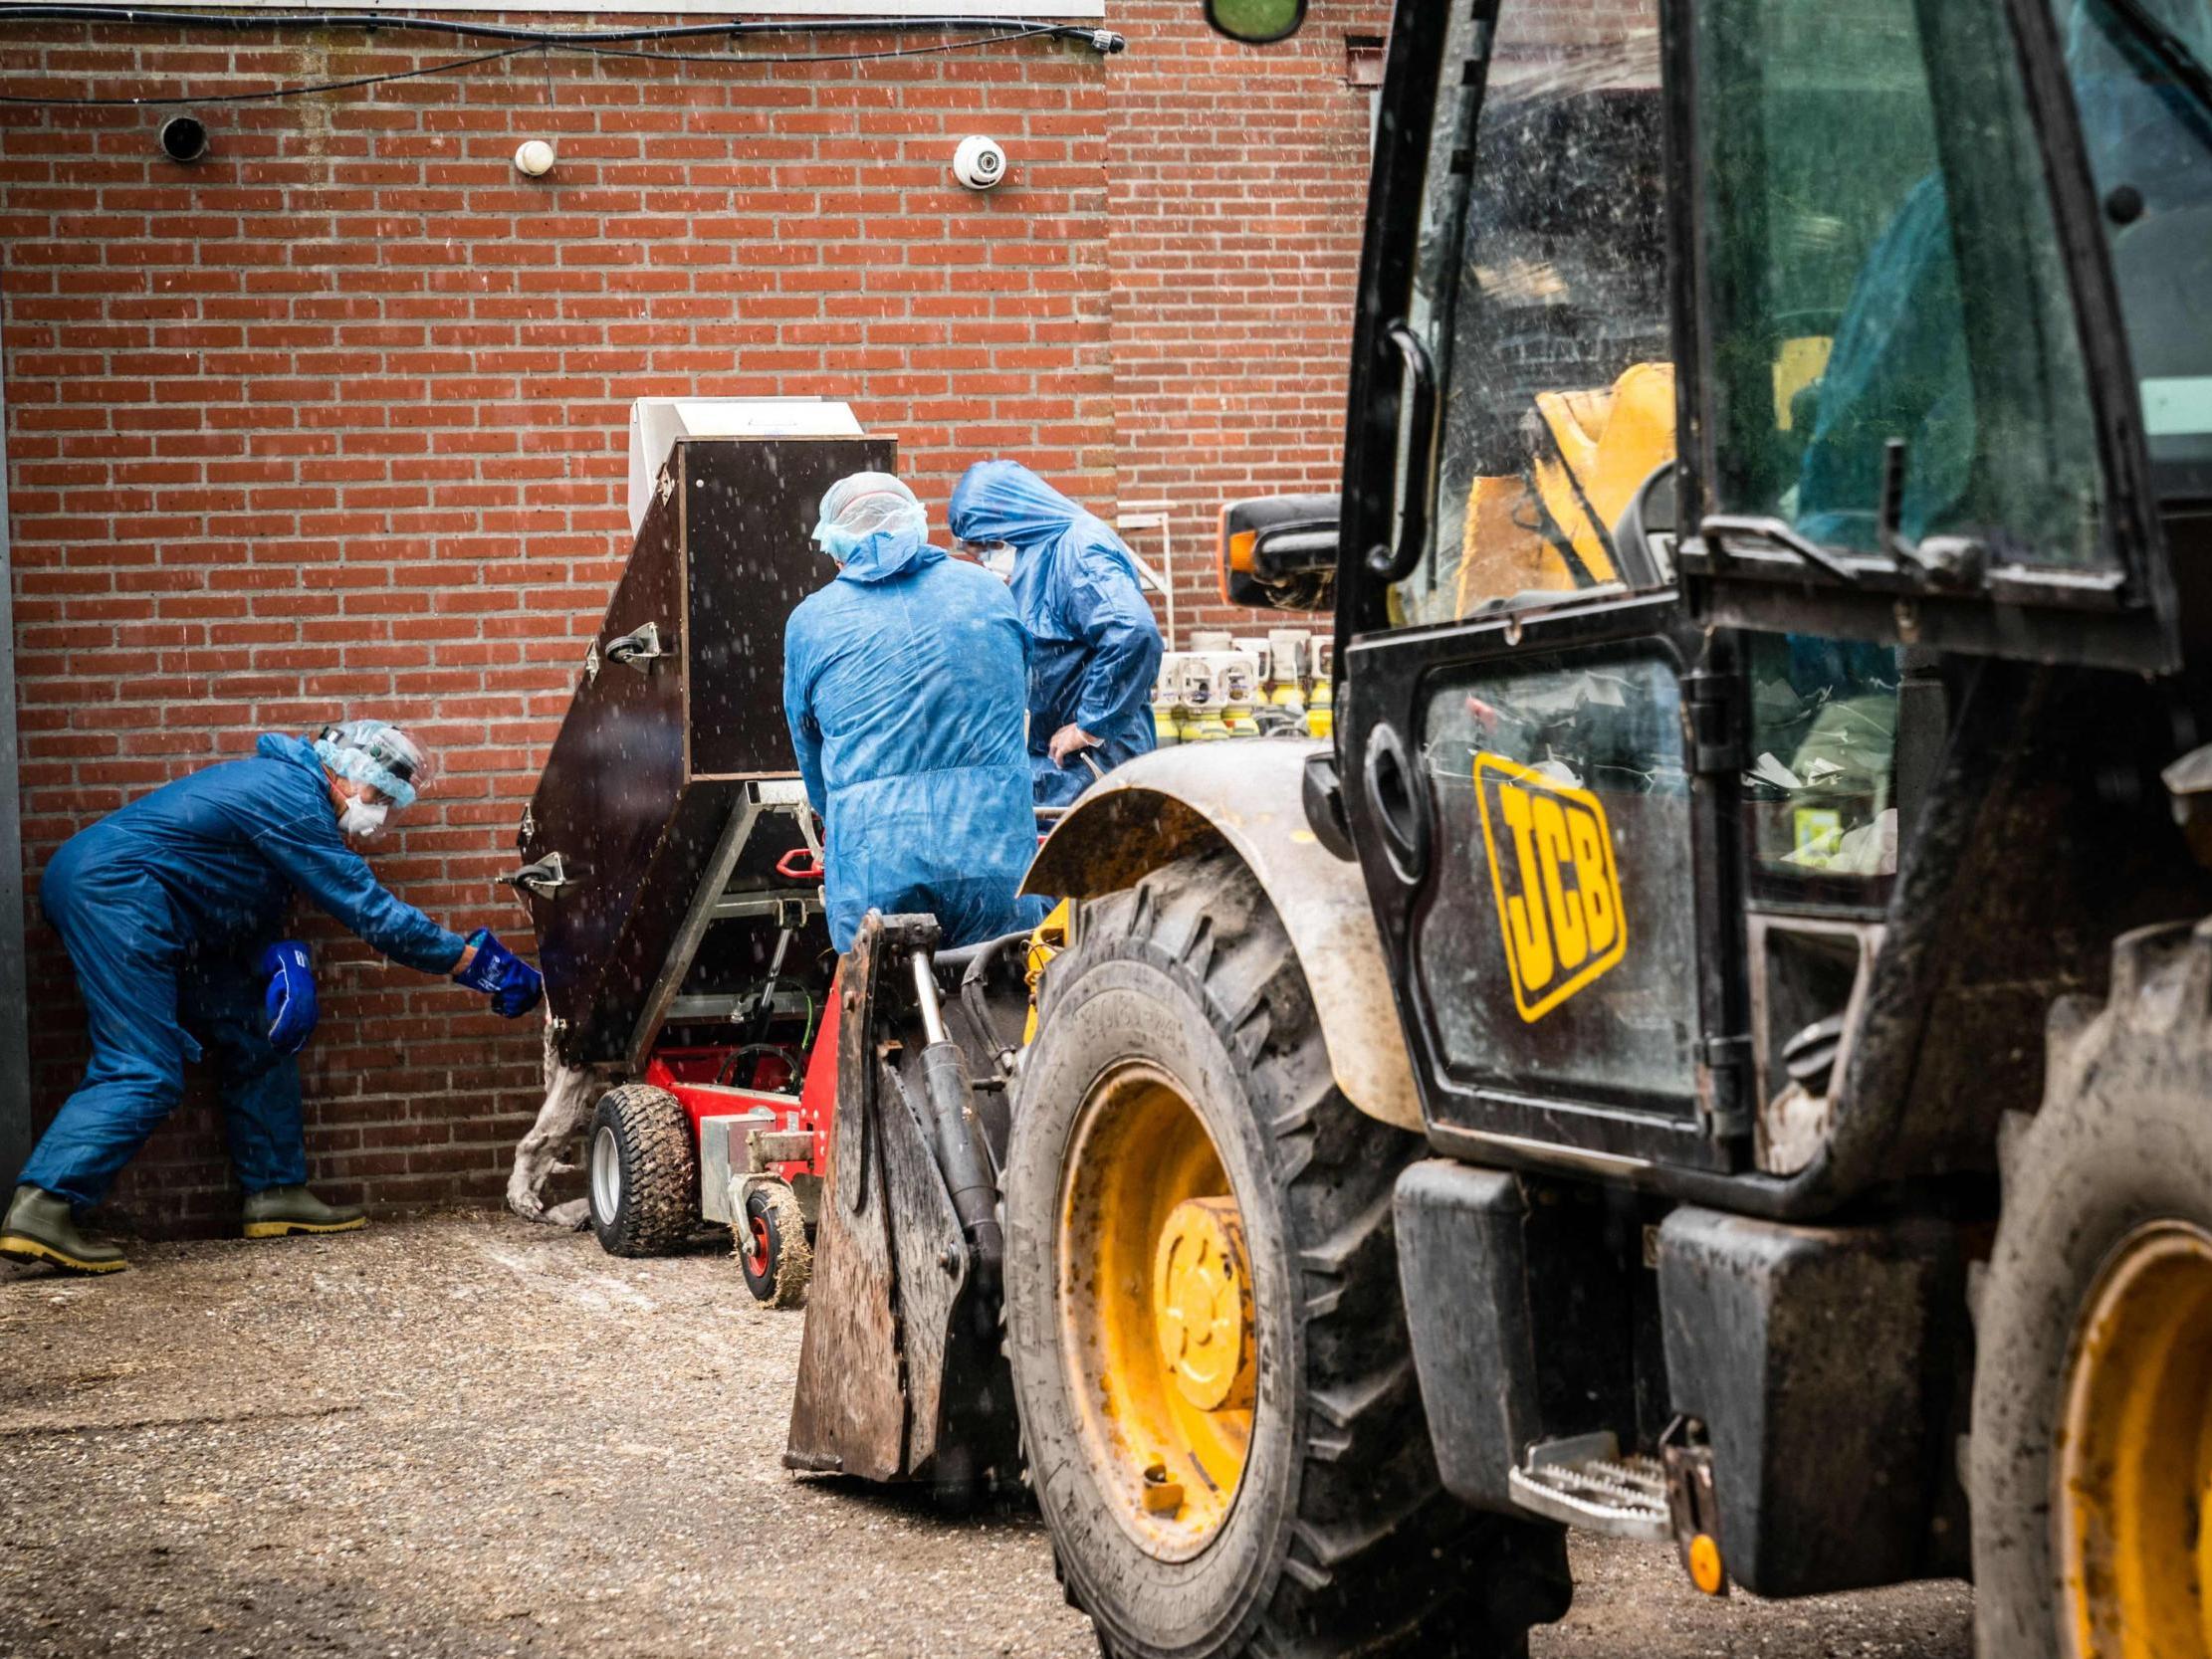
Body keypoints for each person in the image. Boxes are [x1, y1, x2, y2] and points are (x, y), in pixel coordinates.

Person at [0, 720, 544, 1276]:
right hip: (117, 895)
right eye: (378, 794)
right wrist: (473, 964)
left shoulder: (291, 793)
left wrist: (277, 957)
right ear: (345, 771)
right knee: (144, 1065)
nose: (378, 813)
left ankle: (275, 1193)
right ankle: (43, 1208)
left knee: (257, 1031)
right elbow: (370, 912)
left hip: (152, 907)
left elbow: (229, 888)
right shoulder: (292, 797)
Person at [782, 472, 1047, 954]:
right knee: (1009, 1005)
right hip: (995, 856)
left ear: (838, 546)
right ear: (917, 526)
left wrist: (841, 817)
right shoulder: (987, 592)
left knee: (887, 1014)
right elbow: (1022, 695)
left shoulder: (812, 621)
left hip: (878, 868)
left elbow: (810, 748)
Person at [947, 460, 1164, 806]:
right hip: (1065, 766)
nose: (985, 558)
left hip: (1095, 763)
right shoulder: (1041, 553)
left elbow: (1132, 632)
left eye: (986, 545)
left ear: (1012, 524)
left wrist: (1090, 727)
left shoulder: (1078, 549)